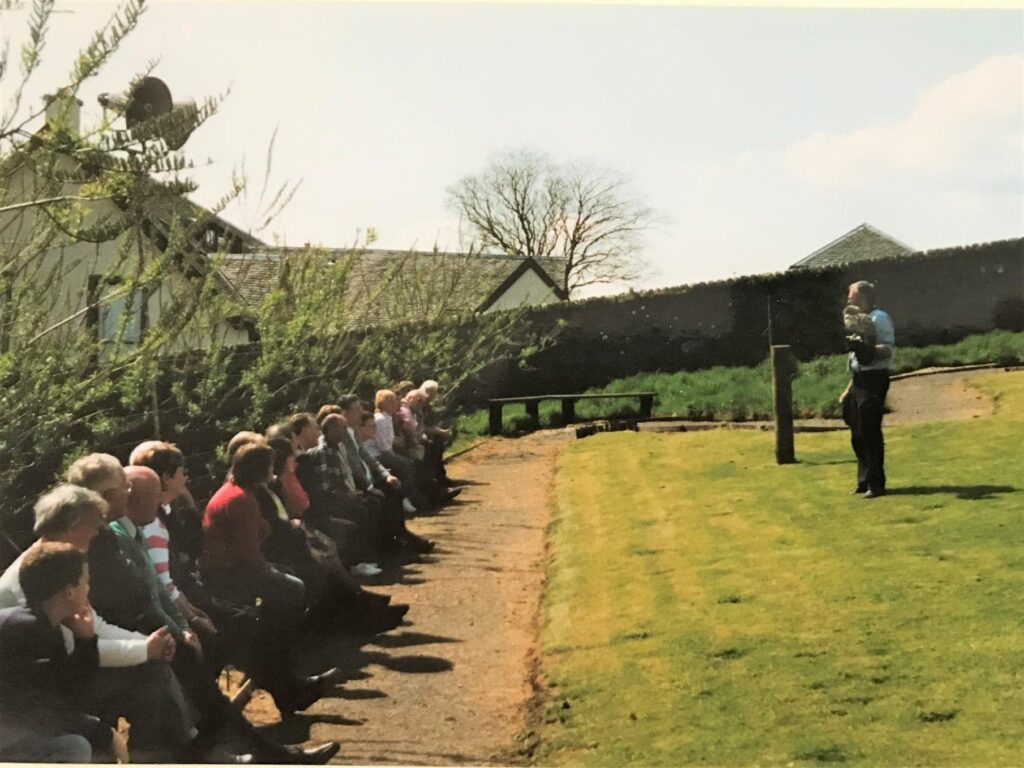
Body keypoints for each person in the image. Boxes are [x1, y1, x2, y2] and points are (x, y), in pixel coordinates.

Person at [0, 541, 109, 763]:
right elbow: (45, 713)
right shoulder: (30, 632)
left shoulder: (40, 625)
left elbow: (64, 694)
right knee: (74, 748)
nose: (89, 589)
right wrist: (101, 731)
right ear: (70, 591)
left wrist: (84, 641)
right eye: (85, 582)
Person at [839, 280, 895, 499]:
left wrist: (868, 348)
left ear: (862, 297)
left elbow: (888, 350)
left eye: (851, 295)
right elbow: (857, 360)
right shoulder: (855, 320)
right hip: (859, 380)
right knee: (857, 432)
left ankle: (876, 484)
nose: (848, 299)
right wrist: (848, 390)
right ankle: (863, 480)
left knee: (870, 431)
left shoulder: (879, 318)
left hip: (874, 379)